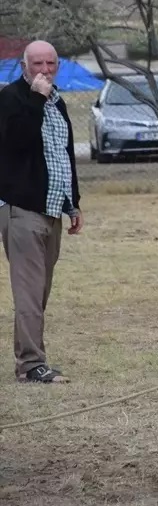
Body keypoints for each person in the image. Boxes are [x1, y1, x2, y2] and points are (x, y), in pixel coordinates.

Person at [0, 40, 83, 383]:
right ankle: (33, 364)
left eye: (50, 63)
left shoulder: (58, 102)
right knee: (30, 290)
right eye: (37, 63)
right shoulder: (11, 99)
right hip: (21, 207)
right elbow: (16, 142)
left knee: (40, 290)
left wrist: (73, 202)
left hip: (52, 207)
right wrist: (36, 97)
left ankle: (27, 361)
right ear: (24, 65)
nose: (44, 70)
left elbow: (64, 155)